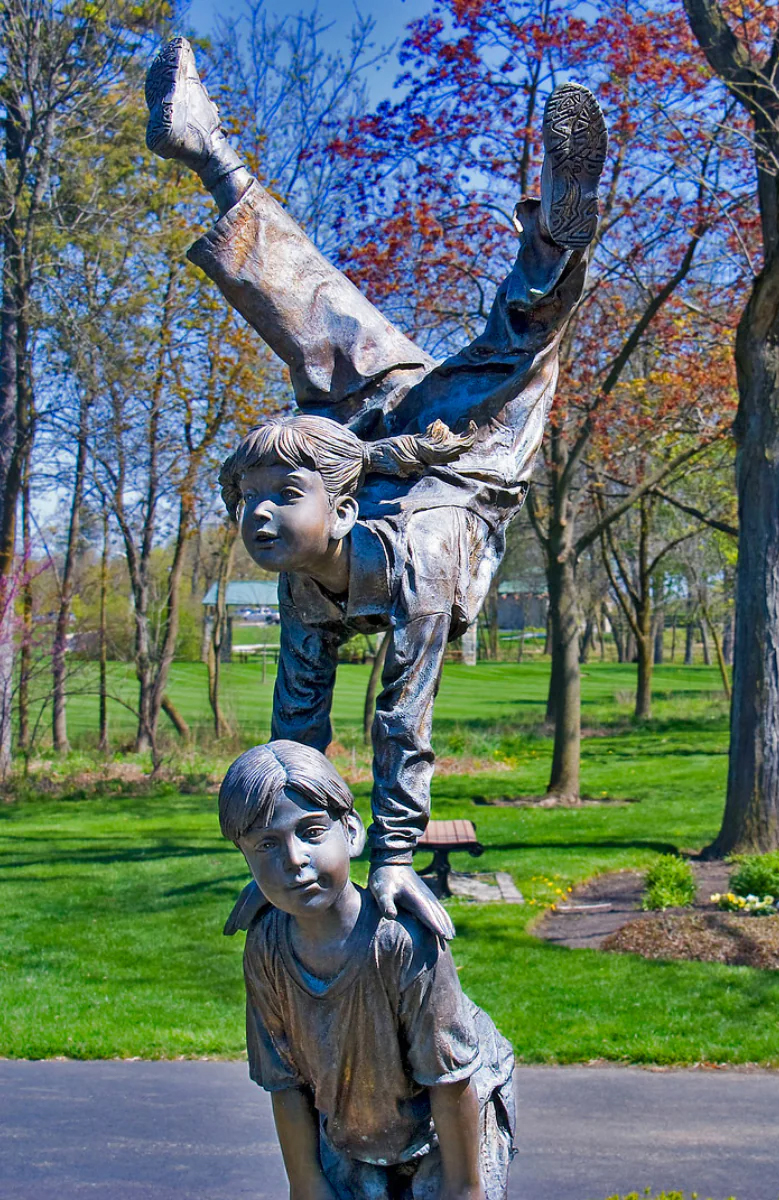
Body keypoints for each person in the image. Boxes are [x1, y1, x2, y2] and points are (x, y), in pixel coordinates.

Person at [145, 38, 607, 936]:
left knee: (516, 358)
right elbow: (296, 728)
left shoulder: (415, 567)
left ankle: (555, 233)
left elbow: (406, 719)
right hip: (377, 452)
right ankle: (208, 150)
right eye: (249, 504)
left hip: (458, 475)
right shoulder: (302, 567)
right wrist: (279, 866)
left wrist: (394, 859)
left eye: (275, 499)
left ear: (333, 510)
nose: (258, 517)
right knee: (314, 312)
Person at [219, 740, 515, 1200]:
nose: (294, 860)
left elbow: (450, 1080)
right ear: (246, 859)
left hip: (448, 1133)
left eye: (312, 832)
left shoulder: (400, 941)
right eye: (267, 845)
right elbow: (285, 1081)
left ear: (351, 831)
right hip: (356, 1140)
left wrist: (465, 1189)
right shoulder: (266, 948)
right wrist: (307, 1185)